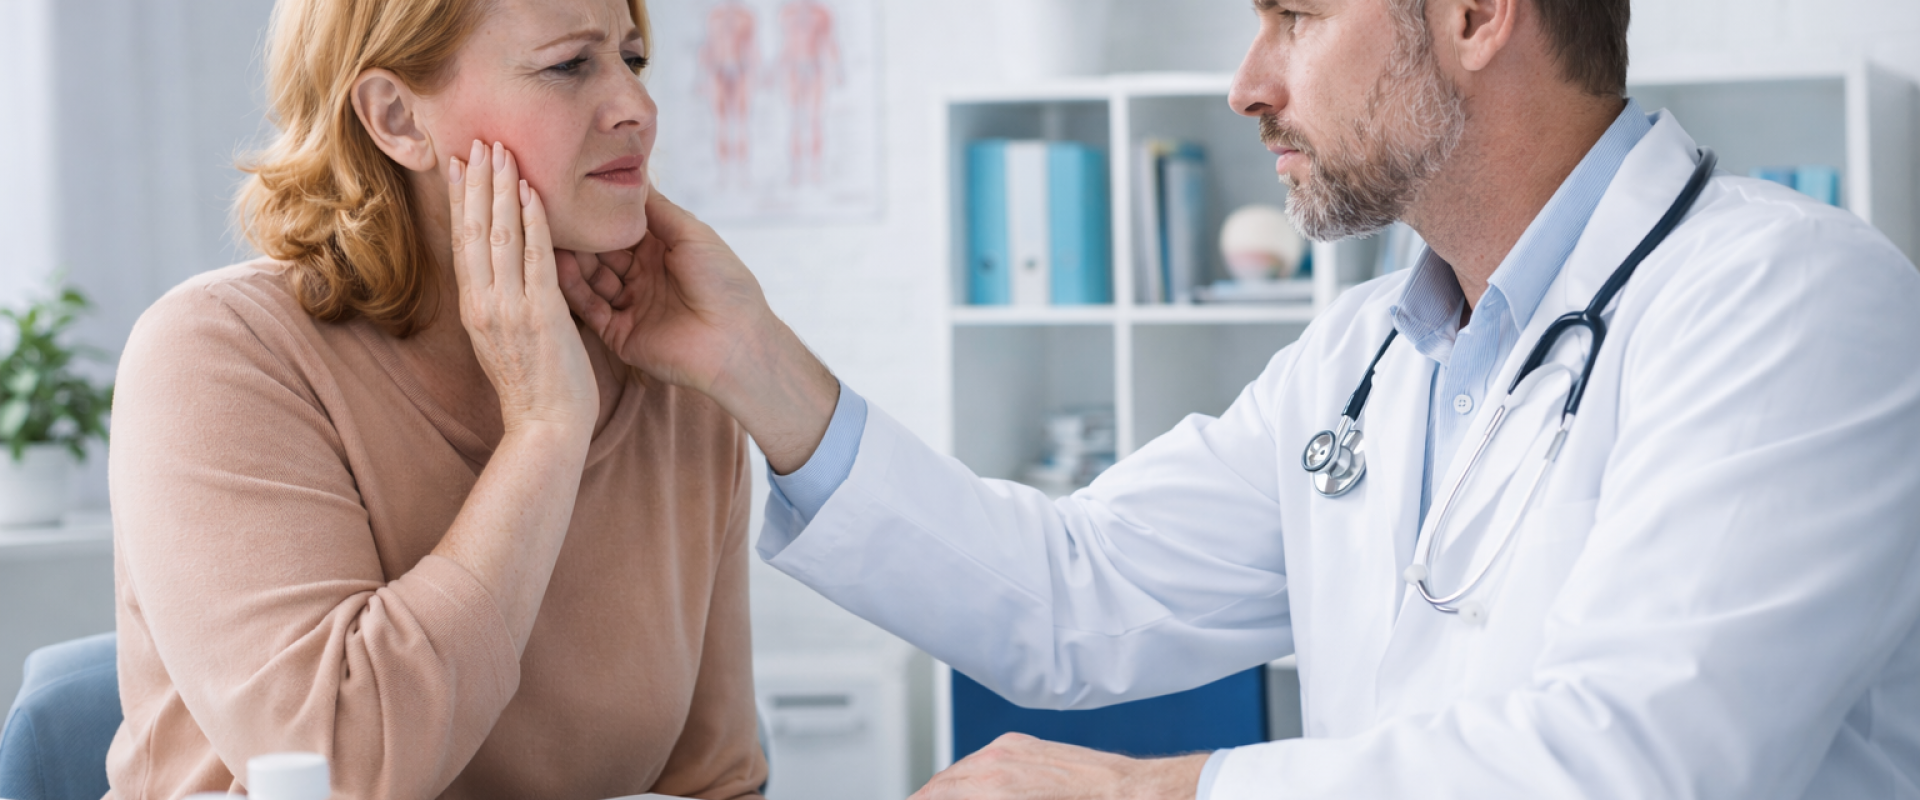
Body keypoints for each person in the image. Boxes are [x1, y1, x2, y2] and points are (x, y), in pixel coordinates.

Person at [556, 0, 1920, 796]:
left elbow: (1638, 763)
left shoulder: (1789, 300)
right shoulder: (1361, 361)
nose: (1248, 84)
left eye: (1296, 16)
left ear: (1474, 15)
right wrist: (750, 359)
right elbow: (1074, 592)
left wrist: (1157, 791)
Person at [107, 0, 767, 797]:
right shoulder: (217, 354)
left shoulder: (670, 377)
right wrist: (546, 430)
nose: (639, 108)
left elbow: (716, 781)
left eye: (632, 60)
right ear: (396, 117)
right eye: (569, 65)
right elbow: (340, 771)